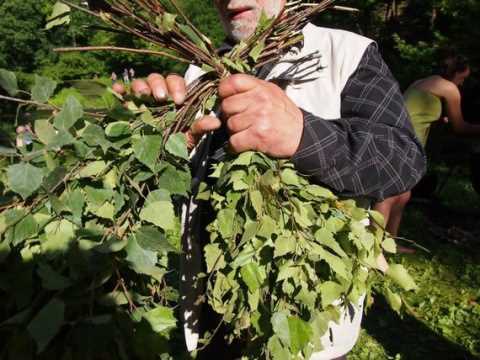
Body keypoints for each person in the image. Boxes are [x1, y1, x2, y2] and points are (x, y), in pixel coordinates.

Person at [113, 0, 426, 358]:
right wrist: (163, 146)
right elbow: (178, 188)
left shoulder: (347, 54)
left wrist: (304, 134)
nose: (230, 1)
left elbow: (403, 158)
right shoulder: (197, 73)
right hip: (212, 305)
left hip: (304, 319)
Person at [374, 53, 480, 239]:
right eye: (463, 78)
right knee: (390, 195)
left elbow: (416, 111)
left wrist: (438, 118)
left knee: (404, 195)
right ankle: (373, 245)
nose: (462, 83)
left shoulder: (423, 82)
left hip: (394, 135)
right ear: (455, 73)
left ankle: (391, 242)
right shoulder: (449, 88)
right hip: (404, 142)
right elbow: (461, 128)